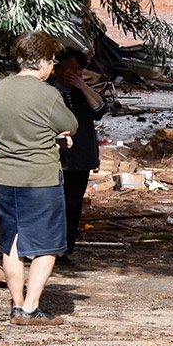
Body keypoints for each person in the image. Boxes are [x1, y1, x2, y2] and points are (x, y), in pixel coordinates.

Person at [0, 31, 78, 325]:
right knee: (48, 245)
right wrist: (59, 134)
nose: (54, 68)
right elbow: (70, 123)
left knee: (13, 242)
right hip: (40, 179)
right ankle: (31, 307)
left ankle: (17, 305)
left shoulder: (2, 87)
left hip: (5, 176)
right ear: (41, 61)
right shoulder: (47, 93)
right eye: (53, 62)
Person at [49, 47, 108, 264]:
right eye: (69, 69)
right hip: (57, 159)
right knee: (54, 203)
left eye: (78, 70)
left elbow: (100, 109)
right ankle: (48, 248)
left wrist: (82, 85)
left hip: (81, 158)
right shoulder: (50, 91)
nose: (73, 74)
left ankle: (65, 249)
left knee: (74, 205)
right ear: (58, 69)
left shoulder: (81, 93)